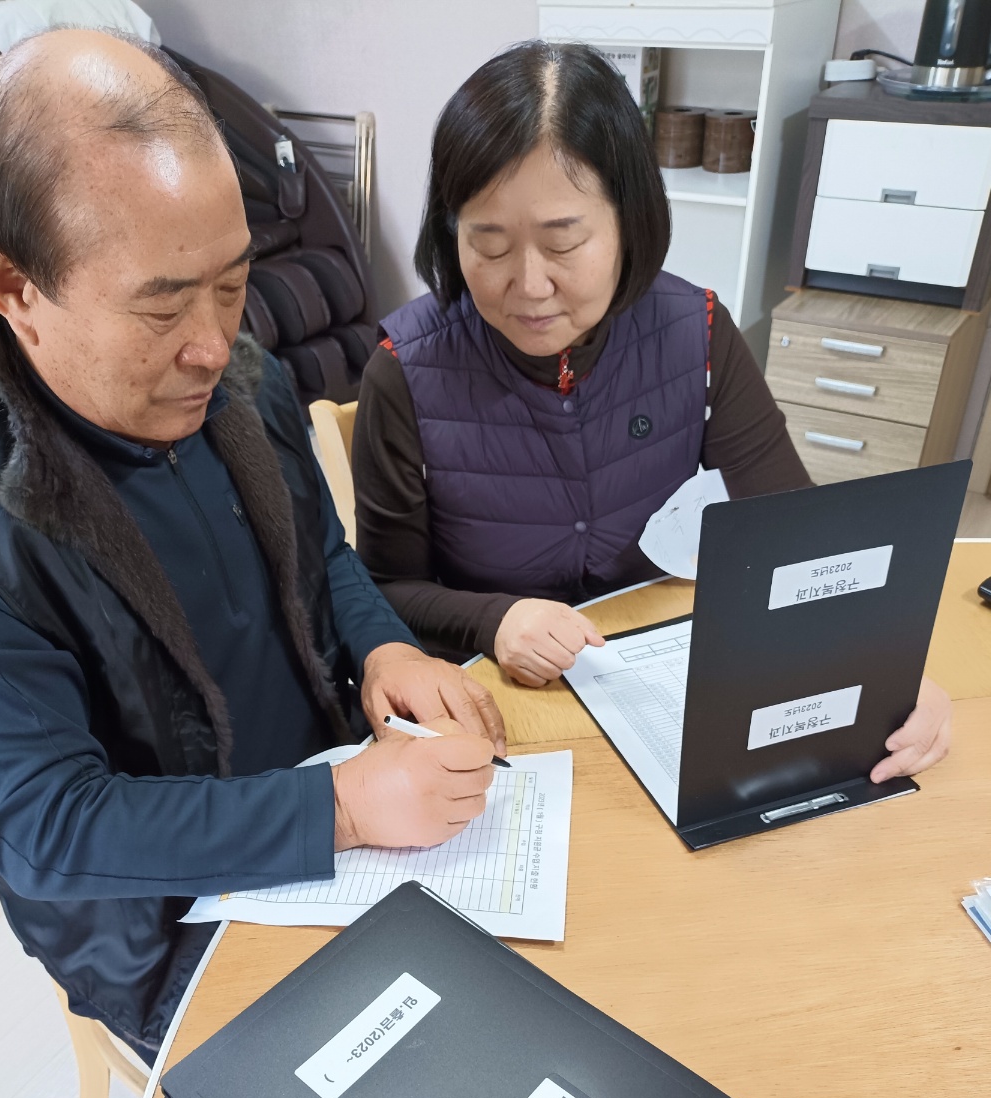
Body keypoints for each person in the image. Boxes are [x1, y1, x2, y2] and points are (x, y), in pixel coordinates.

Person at [0, 30, 507, 1062]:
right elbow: (54, 825)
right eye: (161, 304)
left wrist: (385, 647)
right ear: (11, 286)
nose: (214, 343)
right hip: (162, 923)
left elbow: (324, 555)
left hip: (337, 821)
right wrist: (335, 806)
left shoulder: (233, 372)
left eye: (231, 281)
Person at [353, 40, 951, 787]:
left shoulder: (694, 333)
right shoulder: (405, 372)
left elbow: (796, 536)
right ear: (451, 233)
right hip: (500, 718)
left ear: (628, 220)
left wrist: (883, 666)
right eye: (489, 243)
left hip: (663, 695)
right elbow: (380, 589)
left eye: (564, 239)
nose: (528, 284)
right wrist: (493, 618)